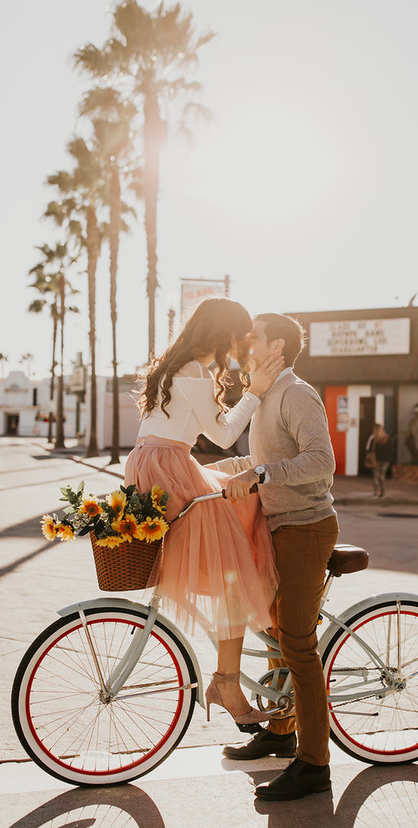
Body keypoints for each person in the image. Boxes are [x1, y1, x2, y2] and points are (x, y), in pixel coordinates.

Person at [125, 298, 283, 728]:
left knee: (236, 527)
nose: (243, 345)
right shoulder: (195, 371)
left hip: (152, 465)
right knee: (240, 557)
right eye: (241, 335)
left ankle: (238, 664)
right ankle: (228, 679)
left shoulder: (177, 367)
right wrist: (256, 392)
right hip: (170, 468)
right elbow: (226, 434)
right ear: (223, 334)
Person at [216, 313, 339, 801]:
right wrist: (216, 472)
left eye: (255, 337)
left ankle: (315, 763)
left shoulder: (297, 394)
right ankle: (283, 730)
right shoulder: (267, 396)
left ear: (279, 346)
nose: (247, 343)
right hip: (277, 528)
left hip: (306, 528)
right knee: (270, 627)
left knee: (297, 643)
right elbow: (262, 459)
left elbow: (320, 461)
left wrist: (261, 474)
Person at [366, 423, 391, 498]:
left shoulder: (373, 439)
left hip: (376, 460)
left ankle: (376, 492)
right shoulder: (388, 438)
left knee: (376, 477)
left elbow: (369, 449)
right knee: (382, 477)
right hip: (385, 461)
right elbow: (390, 450)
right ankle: (383, 492)